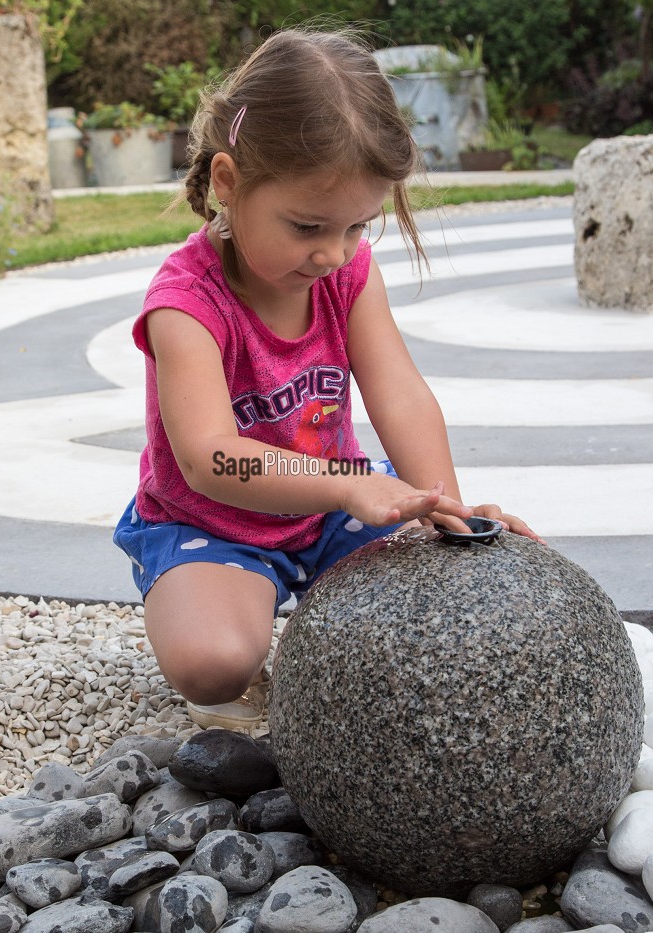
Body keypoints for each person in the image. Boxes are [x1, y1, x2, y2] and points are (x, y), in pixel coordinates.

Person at [113, 26, 542, 732]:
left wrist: (445, 504)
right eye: (309, 225)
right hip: (212, 521)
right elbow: (208, 457)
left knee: (439, 612)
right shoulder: (186, 303)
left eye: (355, 228)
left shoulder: (345, 272)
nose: (331, 253)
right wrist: (348, 484)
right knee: (214, 660)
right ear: (228, 182)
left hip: (333, 503)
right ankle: (213, 598)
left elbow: (398, 391)